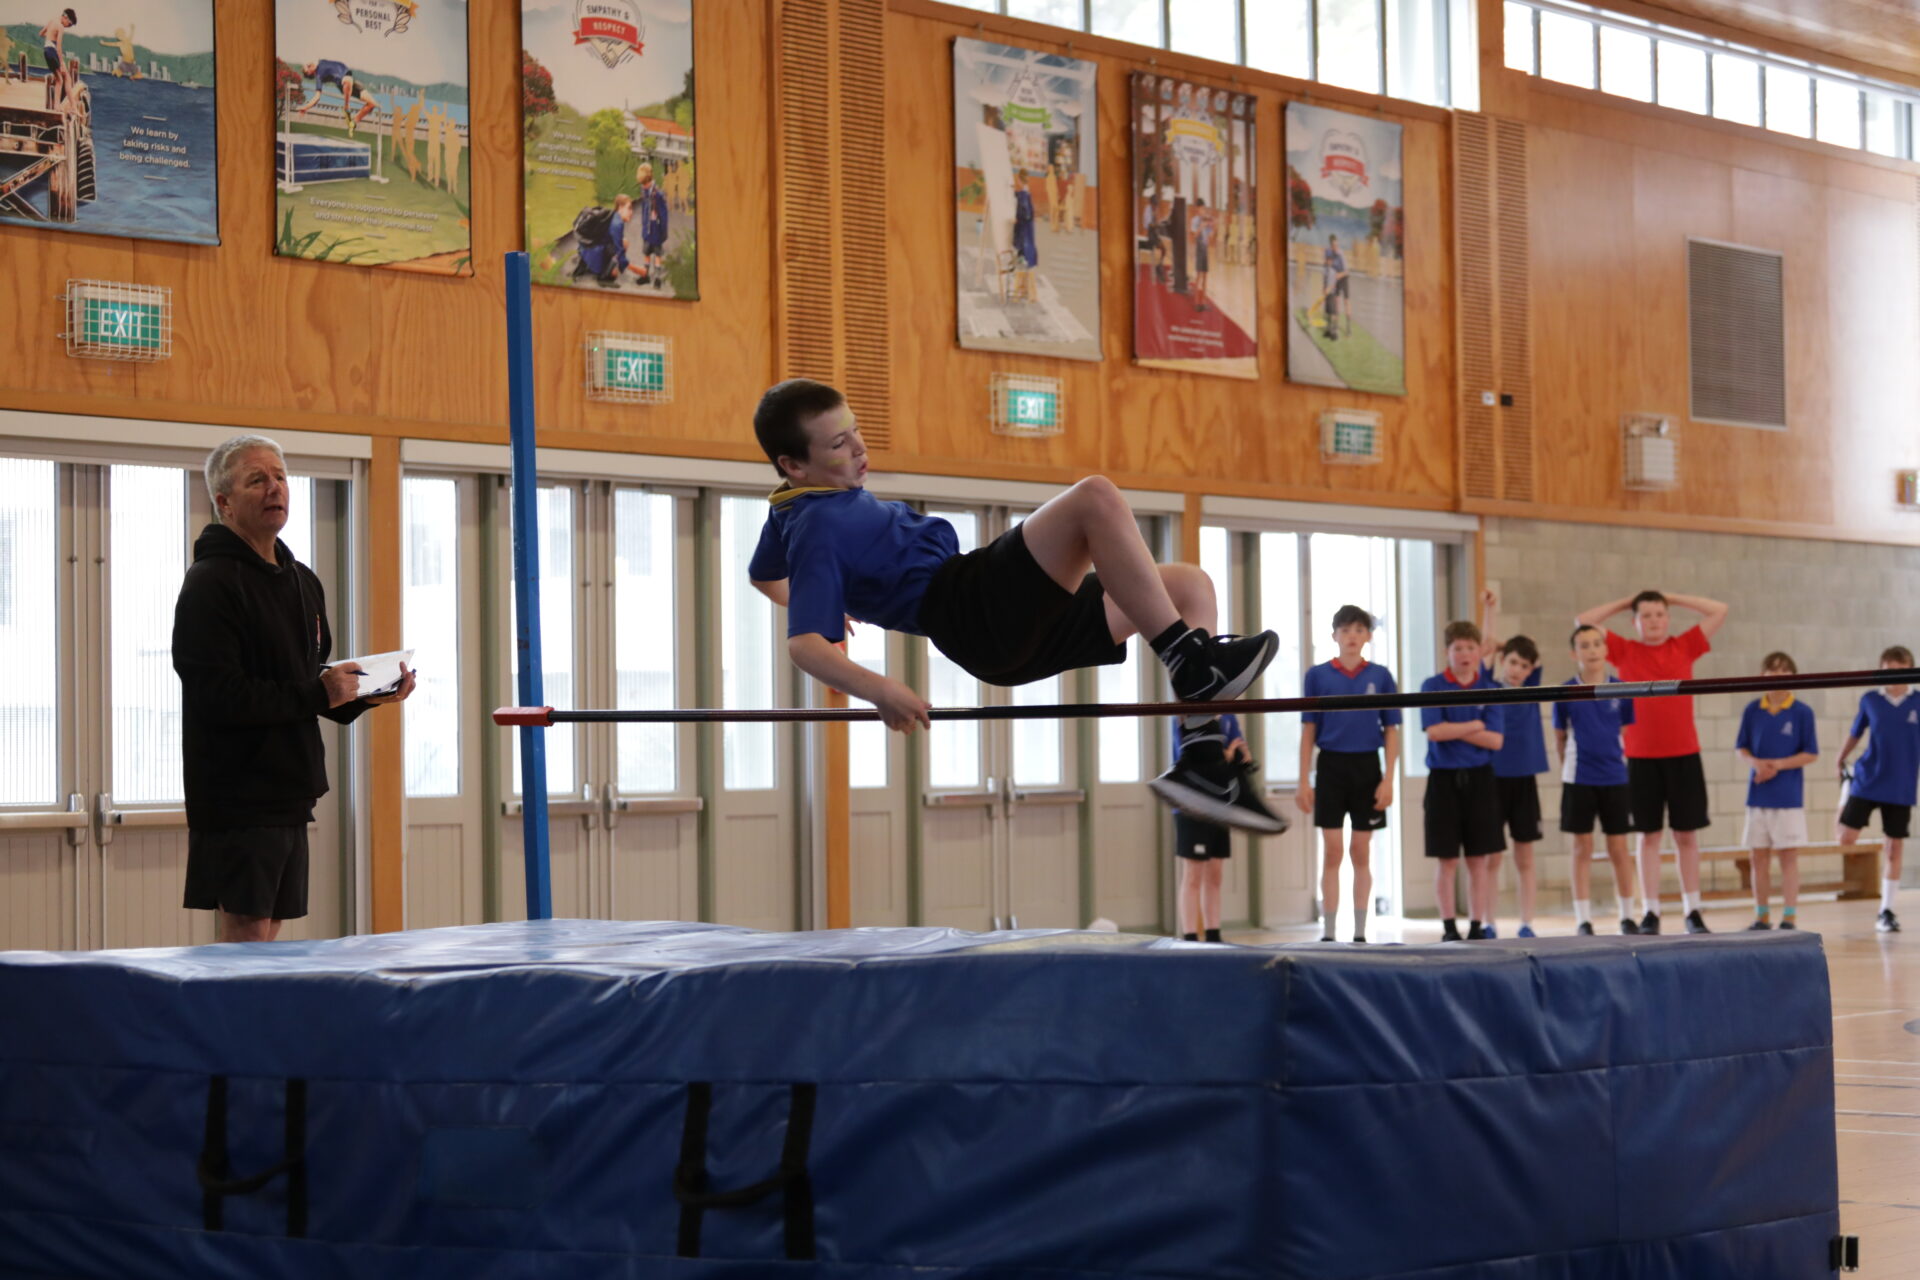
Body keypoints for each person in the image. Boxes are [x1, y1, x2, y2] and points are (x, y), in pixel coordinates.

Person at [745, 379, 1284, 833]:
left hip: (1001, 634)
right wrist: (880, 689)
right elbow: (804, 645)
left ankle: (1204, 758)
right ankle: (1190, 662)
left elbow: (764, 575)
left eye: (856, 430)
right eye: (839, 444)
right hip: (969, 604)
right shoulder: (819, 524)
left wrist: (830, 600)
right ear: (793, 464)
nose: (860, 448)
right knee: (1094, 498)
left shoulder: (790, 512)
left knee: (1188, 588)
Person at [172, 437, 415, 943]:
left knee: (271, 932)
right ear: (224, 502)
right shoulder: (209, 584)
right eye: (256, 479)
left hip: (290, 789)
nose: (274, 488)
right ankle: (234, 1024)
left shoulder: (302, 580)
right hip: (236, 794)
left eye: (280, 476)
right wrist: (318, 693)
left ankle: (256, 1022)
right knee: (246, 932)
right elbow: (220, 695)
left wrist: (369, 691)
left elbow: (304, 682)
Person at [1575, 589, 1729, 934]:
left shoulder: (1684, 645)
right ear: (1635, 622)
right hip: (1641, 757)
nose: (1654, 620)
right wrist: (1626, 599)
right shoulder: (1625, 650)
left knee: (1686, 835)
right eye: (1646, 615)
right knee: (1648, 837)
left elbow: (1720, 609)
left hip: (1684, 754)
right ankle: (1652, 911)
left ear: (1668, 617)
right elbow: (1583, 623)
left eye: (1659, 614)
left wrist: (1673, 597)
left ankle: (1693, 910)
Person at [1296, 605, 1401, 943]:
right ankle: (1328, 932)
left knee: (1361, 850)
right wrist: (1303, 780)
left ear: (1368, 635)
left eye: (1359, 630)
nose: (1352, 636)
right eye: (1345, 630)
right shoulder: (1317, 676)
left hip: (1368, 766)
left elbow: (1392, 730)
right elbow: (1308, 731)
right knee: (1332, 850)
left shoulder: (1381, 676)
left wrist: (1388, 780)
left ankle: (1359, 931)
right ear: (1334, 636)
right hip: (1330, 766)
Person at [1419, 621, 1506, 940]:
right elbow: (1434, 732)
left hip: (1481, 781)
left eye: (1471, 647)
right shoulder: (1432, 686)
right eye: (1458, 648)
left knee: (1478, 859)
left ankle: (1476, 925)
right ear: (1447, 652)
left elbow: (1496, 741)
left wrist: (1456, 730)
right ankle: (1448, 928)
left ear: (1479, 651)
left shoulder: (1490, 688)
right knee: (1447, 860)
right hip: (1443, 781)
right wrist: (1474, 724)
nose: (1465, 654)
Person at [1554, 624, 1642, 935]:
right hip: (1579, 778)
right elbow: (1560, 737)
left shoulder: (1622, 688)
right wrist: (1573, 767)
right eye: (1584, 645)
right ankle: (1583, 919)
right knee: (1582, 847)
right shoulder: (1565, 692)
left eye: (1596, 644)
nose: (1591, 650)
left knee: (1619, 847)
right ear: (1574, 653)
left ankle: (1628, 916)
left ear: (1605, 650)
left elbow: (1623, 732)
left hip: (1615, 777)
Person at [1836, 646, 1919, 934]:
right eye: (1887, 670)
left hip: (1901, 784)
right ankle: (1846, 790)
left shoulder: (1918, 702)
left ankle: (1886, 910)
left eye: (1899, 670)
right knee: (1845, 839)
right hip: (1869, 778)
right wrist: (1840, 757)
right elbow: (1856, 731)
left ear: (1910, 670)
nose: (1892, 676)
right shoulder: (1871, 699)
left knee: (1893, 847)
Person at [1736, 652, 1819, 931]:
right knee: (1757, 856)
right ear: (1763, 676)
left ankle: (1789, 917)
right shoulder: (1752, 709)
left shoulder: (1802, 712)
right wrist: (1757, 764)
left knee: (1788, 856)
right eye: (1772, 670)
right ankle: (1761, 915)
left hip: (1787, 796)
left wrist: (1779, 765)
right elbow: (1742, 748)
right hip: (1758, 793)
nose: (1777, 675)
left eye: (1784, 670)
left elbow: (1811, 753)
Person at [1485, 626, 1546, 940]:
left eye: (1524, 665)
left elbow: (1532, 646)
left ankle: (1526, 923)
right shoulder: (1490, 686)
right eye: (1512, 662)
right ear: (1502, 660)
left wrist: (1511, 647)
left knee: (1525, 856)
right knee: (1492, 858)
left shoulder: (1532, 685)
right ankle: (1488, 922)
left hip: (1524, 780)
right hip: (1493, 780)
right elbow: (1485, 650)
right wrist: (1497, 642)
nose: (1517, 670)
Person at [1172, 712, 1249, 942]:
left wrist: (1236, 756)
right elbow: (1191, 759)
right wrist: (1223, 755)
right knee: (1193, 873)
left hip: (1219, 805)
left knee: (1215, 873)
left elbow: (1242, 755)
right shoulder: (1184, 717)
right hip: (1190, 804)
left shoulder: (1228, 716)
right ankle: (1190, 937)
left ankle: (1214, 934)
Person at [295, 60, 380, 136]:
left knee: (372, 104)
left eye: (308, 65)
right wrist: (305, 108)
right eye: (308, 67)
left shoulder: (320, 62)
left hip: (352, 81)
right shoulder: (318, 76)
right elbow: (317, 97)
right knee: (347, 80)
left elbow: (312, 61)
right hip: (344, 82)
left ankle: (353, 123)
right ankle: (346, 107)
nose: (309, 64)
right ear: (310, 73)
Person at [568, 196, 632, 287]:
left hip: (585, 247)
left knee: (618, 244)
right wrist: (622, 266)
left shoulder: (611, 214)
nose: (631, 212)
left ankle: (584, 265)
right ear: (620, 207)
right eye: (629, 208)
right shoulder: (617, 224)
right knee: (622, 245)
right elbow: (619, 249)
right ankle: (603, 278)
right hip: (594, 248)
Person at [634, 161, 670, 289]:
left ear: (649, 180)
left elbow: (664, 214)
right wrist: (643, 225)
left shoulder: (658, 194)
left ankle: (658, 278)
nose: (642, 187)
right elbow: (644, 208)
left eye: (644, 184)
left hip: (656, 230)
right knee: (647, 253)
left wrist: (663, 232)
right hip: (647, 229)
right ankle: (646, 275)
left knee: (658, 255)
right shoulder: (644, 191)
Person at [40, 10, 76, 107]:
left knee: (59, 79)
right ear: (66, 17)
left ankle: (59, 106)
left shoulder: (52, 21)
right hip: (52, 51)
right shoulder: (60, 27)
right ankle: (70, 106)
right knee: (64, 79)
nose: (67, 26)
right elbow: (59, 47)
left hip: (46, 50)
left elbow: (41, 33)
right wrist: (61, 64)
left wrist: (50, 36)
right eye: (69, 24)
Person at [1011, 171, 1038, 303]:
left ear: (1020, 181)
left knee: (1022, 264)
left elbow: (1026, 214)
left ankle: (1020, 293)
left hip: (1023, 236)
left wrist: (1017, 220)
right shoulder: (1026, 194)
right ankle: (1028, 293)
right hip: (1028, 235)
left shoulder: (1023, 196)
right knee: (1027, 264)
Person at [1321, 233, 1350, 341]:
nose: (1328, 261)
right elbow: (1325, 279)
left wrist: (1330, 287)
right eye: (1327, 259)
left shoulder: (1338, 259)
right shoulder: (1326, 268)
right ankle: (1329, 330)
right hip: (1328, 290)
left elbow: (1335, 279)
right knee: (1328, 311)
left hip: (1335, 286)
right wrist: (1324, 288)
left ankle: (1335, 332)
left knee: (1334, 311)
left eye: (1329, 260)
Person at [1191, 198, 1212, 314]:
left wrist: (1212, 226)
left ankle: (1203, 302)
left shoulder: (1206, 220)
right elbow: (1195, 235)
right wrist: (1202, 225)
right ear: (1197, 209)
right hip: (1199, 249)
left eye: (1204, 208)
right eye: (1202, 208)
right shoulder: (1195, 220)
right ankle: (1196, 302)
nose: (1203, 210)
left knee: (1205, 276)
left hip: (1205, 249)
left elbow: (1210, 237)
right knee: (1198, 276)